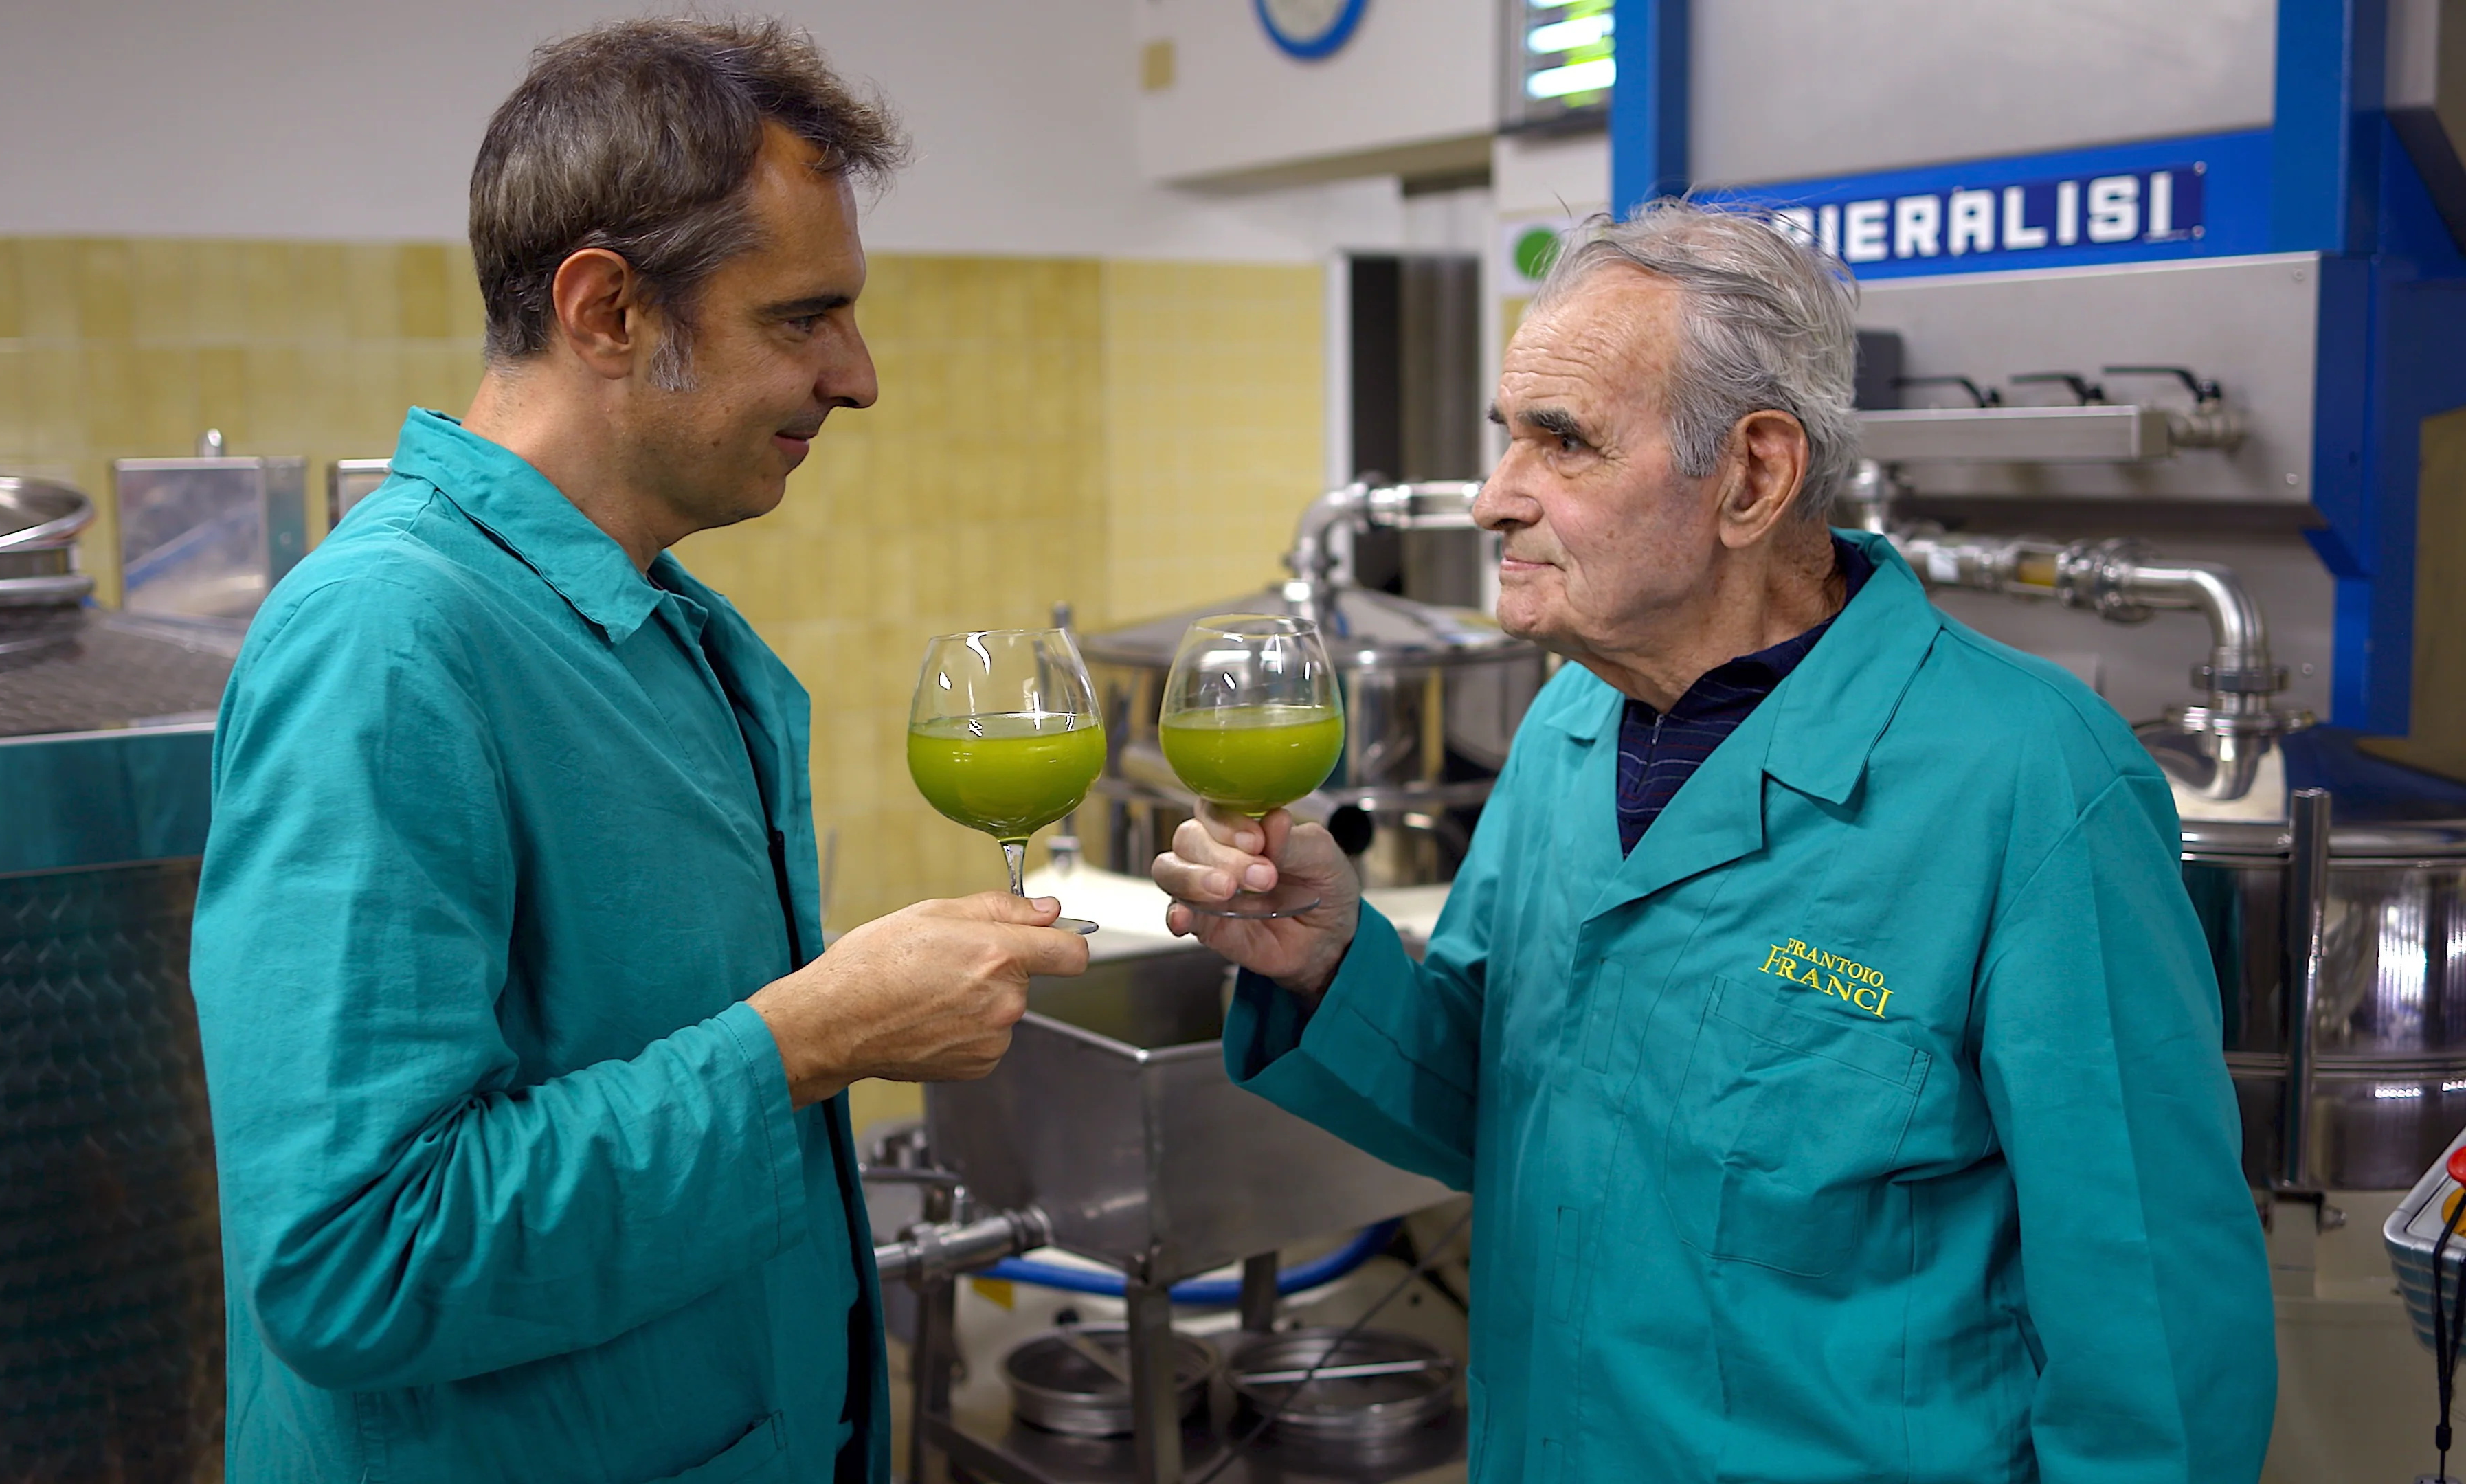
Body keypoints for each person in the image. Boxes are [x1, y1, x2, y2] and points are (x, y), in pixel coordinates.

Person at [1156, 203, 2276, 1482]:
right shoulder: (1571, 726)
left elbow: (2155, 1350)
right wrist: (1323, 964)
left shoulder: (2031, 783)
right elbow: (1500, 1108)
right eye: (1505, 437)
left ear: (1753, 475)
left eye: (1561, 443)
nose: (1490, 500)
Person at [189, 20, 1085, 1483]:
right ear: (605, 311)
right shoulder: (388, 646)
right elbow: (357, 1260)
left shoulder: (657, 624)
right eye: (804, 318)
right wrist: (817, 1037)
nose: (858, 379)